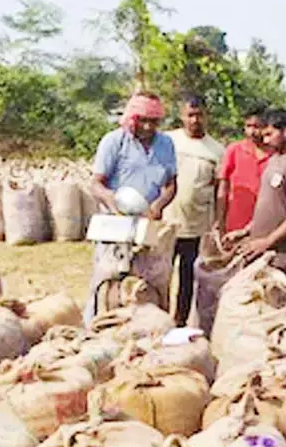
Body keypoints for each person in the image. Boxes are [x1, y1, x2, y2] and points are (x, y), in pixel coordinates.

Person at [86, 92, 177, 319]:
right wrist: (111, 200)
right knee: (109, 282)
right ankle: (99, 325)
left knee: (151, 282)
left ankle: (153, 324)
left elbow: (171, 184)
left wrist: (158, 205)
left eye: (153, 122)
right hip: (116, 227)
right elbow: (96, 184)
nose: (147, 126)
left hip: (148, 224)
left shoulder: (166, 144)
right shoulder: (114, 141)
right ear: (131, 119)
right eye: (142, 120)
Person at [164, 94, 224, 325]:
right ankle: (158, 320)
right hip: (167, 223)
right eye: (190, 115)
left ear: (206, 116)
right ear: (182, 116)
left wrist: (218, 221)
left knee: (188, 277)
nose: (195, 120)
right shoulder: (168, 141)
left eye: (199, 115)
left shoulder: (216, 150)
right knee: (160, 275)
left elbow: (219, 189)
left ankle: (180, 321)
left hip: (197, 225)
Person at [237, 107, 286, 278]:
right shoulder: (273, 161)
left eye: (269, 134)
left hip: (281, 256)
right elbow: (270, 204)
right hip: (259, 253)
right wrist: (246, 231)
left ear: (285, 132)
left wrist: (267, 242)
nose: (265, 139)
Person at [216, 103, 272, 235]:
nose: (252, 131)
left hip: (265, 227)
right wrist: (220, 222)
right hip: (234, 225)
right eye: (248, 126)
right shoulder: (234, 151)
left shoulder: (275, 156)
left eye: (256, 126)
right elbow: (223, 189)